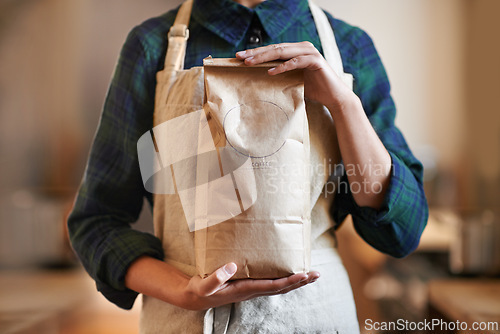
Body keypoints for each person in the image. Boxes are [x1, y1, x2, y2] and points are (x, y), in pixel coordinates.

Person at [68, 0, 428, 332]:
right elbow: (97, 222)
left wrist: (344, 105)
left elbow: (402, 230)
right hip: (186, 319)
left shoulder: (348, 46)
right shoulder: (152, 45)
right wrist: (181, 290)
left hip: (315, 316)